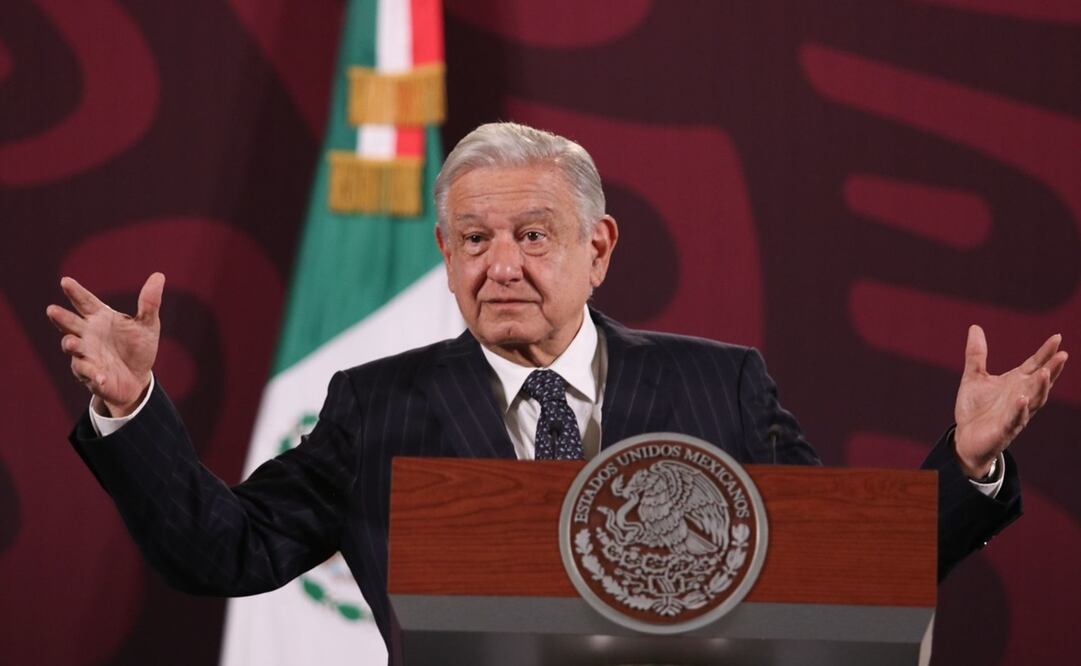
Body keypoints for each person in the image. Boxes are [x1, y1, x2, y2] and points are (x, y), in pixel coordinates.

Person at [48, 123, 1067, 658]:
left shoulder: (717, 387)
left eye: (531, 236)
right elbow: (219, 550)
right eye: (474, 241)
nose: (501, 266)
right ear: (443, 258)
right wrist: (132, 409)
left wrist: (967, 464)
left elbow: (839, 567)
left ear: (597, 248)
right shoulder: (375, 408)